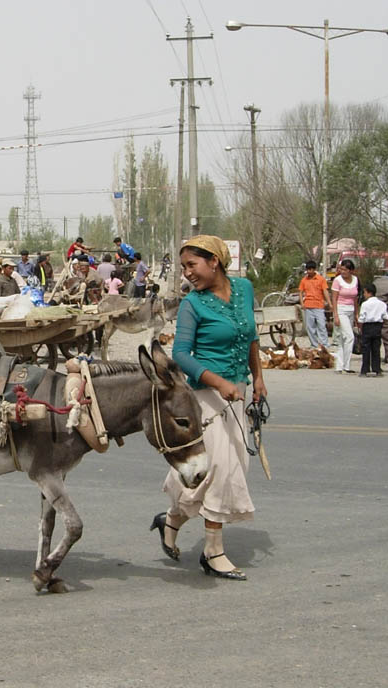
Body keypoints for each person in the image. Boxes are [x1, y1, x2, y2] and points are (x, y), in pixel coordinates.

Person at [153, 235, 265, 581]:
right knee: (219, 467)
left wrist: (258, 379)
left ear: (214, 261)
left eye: (192, 265)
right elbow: (181, 354)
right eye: (185, 267)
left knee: (231, 465)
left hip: (238, 391)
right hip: (205, 396)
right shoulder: (192, 305)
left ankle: (171, 519)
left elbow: (251, 336)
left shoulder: (244, 289)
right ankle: (213, 551)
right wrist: (218, 383)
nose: (188, 274)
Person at [330, 259, 360, 374]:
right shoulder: (337, 281)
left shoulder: (355, 280)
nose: (342, 272)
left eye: (345, 269)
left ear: (350, 270)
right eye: (341, 269)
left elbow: (355, 298)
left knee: (343, 339)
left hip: (351, 310)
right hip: (341, 309)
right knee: (349, 337)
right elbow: (334, 298)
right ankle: (345, 365)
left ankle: (341, 365)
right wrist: (335, 315)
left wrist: (357, 313)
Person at [298, 260, 331, 349]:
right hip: (308, 306)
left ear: (314, 269)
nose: (309, 271)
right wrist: (302, 303)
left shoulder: (321, 279)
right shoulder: (304, 280)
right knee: (310, 327)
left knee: (321, 325)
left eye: (311, 269)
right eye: (308, 270)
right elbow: (300, 292)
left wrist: (329, 303)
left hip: (319, 305)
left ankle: (324, 344)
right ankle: (314, 344)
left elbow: (325, 291)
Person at [357, 282, 388, 377]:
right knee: (376, 348)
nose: (364, 295)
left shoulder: (365, 304)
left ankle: (365, 369)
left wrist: (359, 325)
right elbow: (386, 316)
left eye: (364, 293)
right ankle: (377, 369)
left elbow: (362, 317)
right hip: (377, 326)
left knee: (366, 348)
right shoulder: (382, 304)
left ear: (368, 292)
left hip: (367, 326)